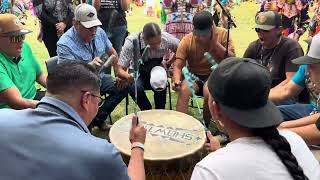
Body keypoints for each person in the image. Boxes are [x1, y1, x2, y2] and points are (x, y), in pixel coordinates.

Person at [0, 60, 146, 180]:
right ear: (87, 99)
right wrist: (137, 144)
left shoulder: (3, 119)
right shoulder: (100, 153)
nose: (98, 104)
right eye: (98, 100)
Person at [191, 57, 320, 180]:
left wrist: (218, 156)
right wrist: (220, 153)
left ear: (215, 109)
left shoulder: (208, 171)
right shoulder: (294, 141)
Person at [57, 3, 127, 130]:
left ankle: (97, 119)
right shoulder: (64, 44)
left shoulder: (99, 32)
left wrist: (118, 71)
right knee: (86, 102)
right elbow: (66, 75)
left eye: (95, 26)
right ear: (75, 23)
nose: (94, 31)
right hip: (77, 86)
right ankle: (87, 125)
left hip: (97, 79)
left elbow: (112, 52)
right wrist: (87, 66)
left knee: (123, 86)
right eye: (89, 27)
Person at [172, 11, 235, 126]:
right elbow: (178, 64)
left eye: (204, 34)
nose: (200, 37)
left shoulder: (224, 34)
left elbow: (232, 58)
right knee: (184, 90)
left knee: (208, 92)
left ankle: (204, 125)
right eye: (198, 33)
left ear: (212, 28)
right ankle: (180, 126)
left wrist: (215, 44)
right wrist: (176, 80)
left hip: (214, 75)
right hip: (194, 75)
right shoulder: (187, 40)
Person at [269, 33, 320, 144]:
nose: (307, 72)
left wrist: (275, 133)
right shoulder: (306, 69)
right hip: (313, 110)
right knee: (273, 113)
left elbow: (317, 131)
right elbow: (286, 90)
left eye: (311, 66)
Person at [118, 22, 179, 110]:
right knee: (134, 87)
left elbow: (181, 50)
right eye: (153, 44)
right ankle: (147, 110)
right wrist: (127, 77)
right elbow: (120, 69)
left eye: (159, 42)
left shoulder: (166, 38)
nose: (157, 46)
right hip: (138, 71)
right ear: (144, 38)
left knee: (160, 81)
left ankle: (159, 111)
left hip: (157, 69)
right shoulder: (132, 41)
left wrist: (169, 63)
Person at [244, 11, 303, 96]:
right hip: (257, 95)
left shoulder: (292, 47)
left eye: (265, 30)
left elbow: (291, 82)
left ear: (279, 30)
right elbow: (242, 72)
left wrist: (264, 96)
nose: (260, 33)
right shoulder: (254, 47)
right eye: (258, 29)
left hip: (284, 96)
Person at [0, 14, 46, 109]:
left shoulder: (24, 48)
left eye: (22, 36)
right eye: (15, 38)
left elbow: (39, 75)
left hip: (33, 98)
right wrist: (50, 106)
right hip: (11, 111)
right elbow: (17, 102)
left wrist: (59, 91)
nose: (21, 42)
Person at [93, 0, 130, 67]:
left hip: (119, 26)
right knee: (104, 55)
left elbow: (125, 8)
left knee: (118, 53)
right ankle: (106, 75)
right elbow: (95, 8)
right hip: (103, 26)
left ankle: (119, 75)